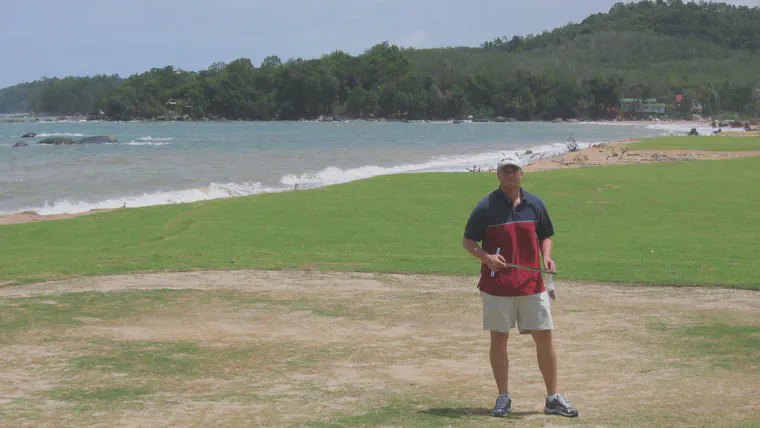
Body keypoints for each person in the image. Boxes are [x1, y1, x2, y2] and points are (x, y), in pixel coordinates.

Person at [462, 156, 578, 418]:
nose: (510, 174)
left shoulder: (534, 204)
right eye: (505, 170)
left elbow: (545, 235)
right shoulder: (486, 206)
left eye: (514, 170)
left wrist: (547, 256)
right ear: (498, 175)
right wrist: (486, 257)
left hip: (532, 285)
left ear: (522, 174)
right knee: (499, 340)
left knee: (545, 338)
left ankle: (552, 398)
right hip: (497, 286)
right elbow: (468, 240)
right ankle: (503, 397)